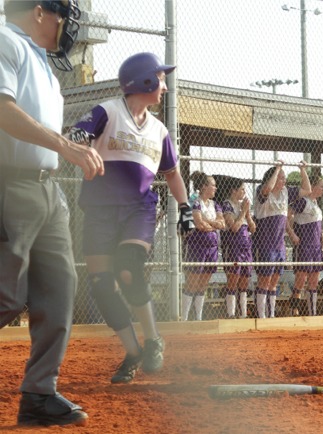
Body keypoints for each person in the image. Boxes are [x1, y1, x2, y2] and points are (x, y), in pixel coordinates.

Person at [0, 0, 105, 426]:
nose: (67, 25)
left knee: (59, 289)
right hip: (9, 184)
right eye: (63, 14)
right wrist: (65, 146)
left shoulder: (40, 58)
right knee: (7, 294)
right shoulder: (6, 41)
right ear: (41, 10)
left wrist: (64, 148)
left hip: (47, 188)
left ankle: (39, 393)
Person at [71, 52, 194, 383]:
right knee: (100, 285)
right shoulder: (108, 111)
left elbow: (171, 174)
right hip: (99, 209)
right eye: (161, 79)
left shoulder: (158, 130)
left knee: (127, 267)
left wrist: (185, 208)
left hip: (138, 208)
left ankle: (153, 339)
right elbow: (77, 133)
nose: (164, 87)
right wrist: (80, 139)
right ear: (145, 81)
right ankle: (132, 351)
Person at [253, 161, 311, 318]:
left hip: (279, 244)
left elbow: (307, 189)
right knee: (264, 280)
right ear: (272, 178)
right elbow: (267, 189)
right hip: (265, 243)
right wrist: (277, 168)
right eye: (281, 178)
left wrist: (302, 170)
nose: (283, 181)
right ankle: (261, 316)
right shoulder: (262, 190)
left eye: (284, 178)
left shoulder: (286, 191)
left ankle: (270, 315)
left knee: (274, 281)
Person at [182, 171, 225, 321]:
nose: (216, 188)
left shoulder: (215, 204)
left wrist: (210, 223)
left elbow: (222, 223)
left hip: (212, 247)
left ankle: (198, 318)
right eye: (213, 185)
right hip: (196, 246)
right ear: (204, 187)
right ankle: (185, 318)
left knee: (203, 284)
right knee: (192, 283)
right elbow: (199, 225)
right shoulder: (195, 202)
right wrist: (213, 224)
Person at [217, 176, 256, 318]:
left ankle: (243, 314)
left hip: (246, 246)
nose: (244, 192)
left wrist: (248, 213)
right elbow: (233, 227)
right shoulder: (227, 205)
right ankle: (231, 314)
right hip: (233, 245)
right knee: (233, 280)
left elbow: (252, 228)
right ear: (234, 191)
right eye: (242, 189)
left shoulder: (243, 206)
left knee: (245, 280)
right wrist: (243, 212)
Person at [287, 175, 323, 316]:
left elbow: (318, 226)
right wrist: (292, 234)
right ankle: (293, 309)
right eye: (321, 186)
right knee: (301, 281)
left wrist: (322, 239)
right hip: (304, 246)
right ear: (313, 187)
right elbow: (287, 215)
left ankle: (312, 312)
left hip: (316, 247)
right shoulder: (303, 202)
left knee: (314, 281)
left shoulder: (315, 203)